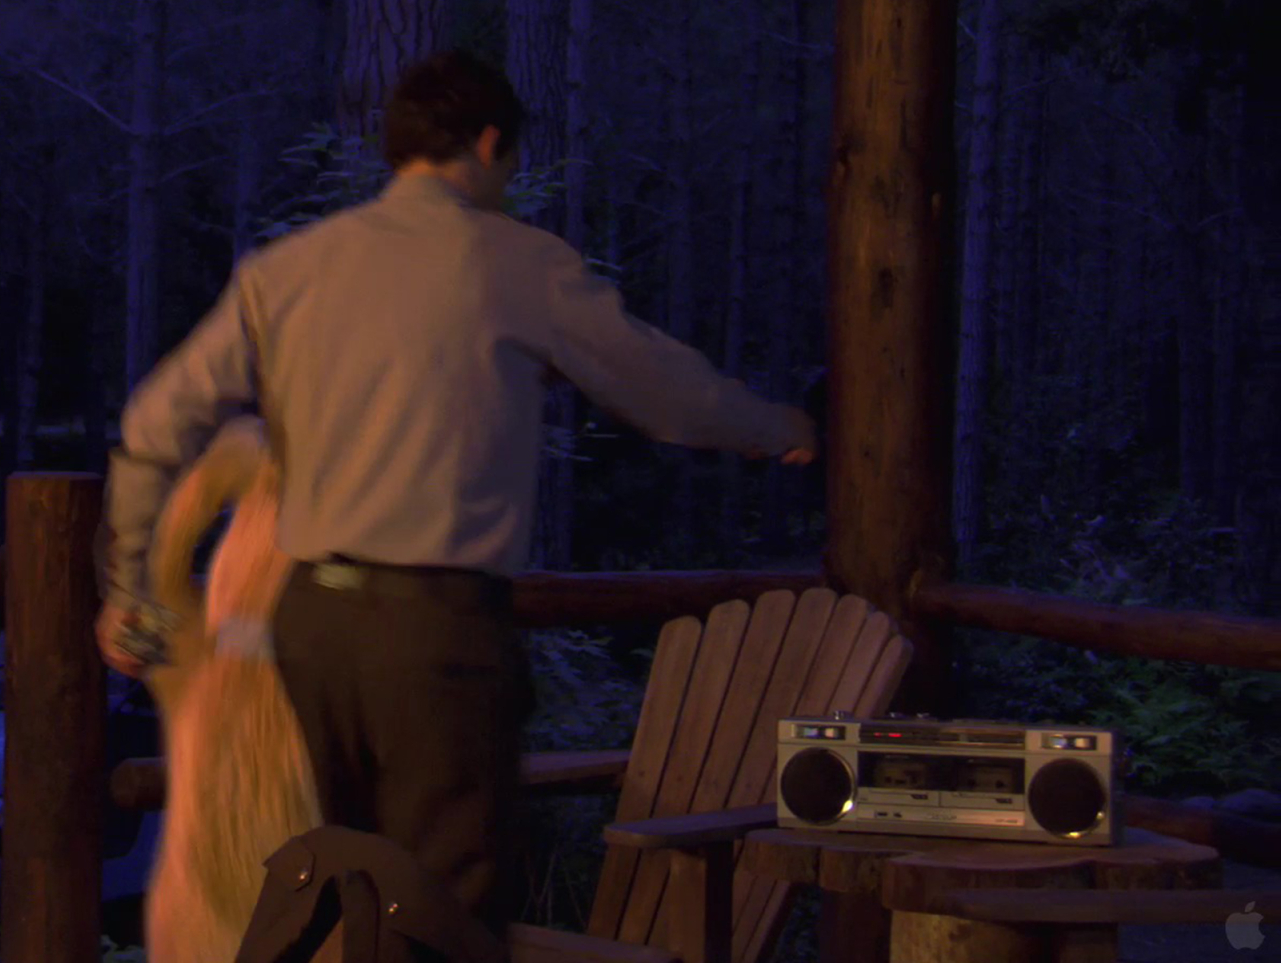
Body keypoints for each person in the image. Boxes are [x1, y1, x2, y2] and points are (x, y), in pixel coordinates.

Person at [98, 49, 816, 937]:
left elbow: (154, 426)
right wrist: (777, 426)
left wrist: (127, 584)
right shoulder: (514, 263)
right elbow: (664, 391)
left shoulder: (289, 270)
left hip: (313, 626)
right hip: (434, 631)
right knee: (447, 905)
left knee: (350, 885)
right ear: (485, 143)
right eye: (509, 163)